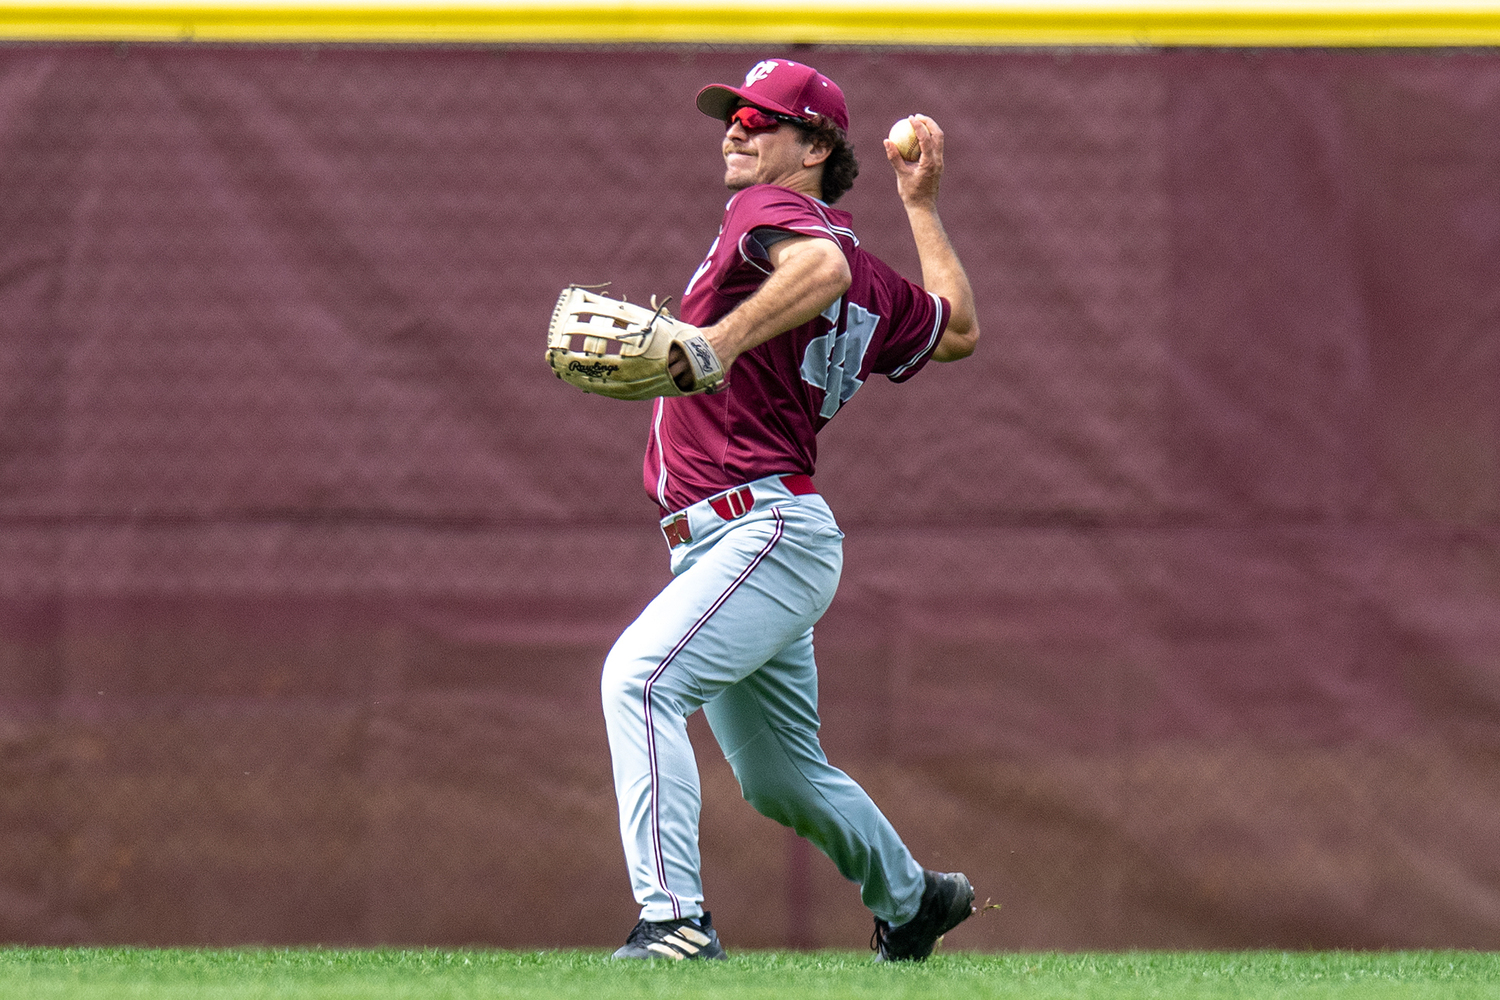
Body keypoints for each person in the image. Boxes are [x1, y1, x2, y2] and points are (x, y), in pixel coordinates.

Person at [600, 58, 981, 962]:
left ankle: (673, 923)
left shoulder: (767, 216)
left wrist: (714, 343)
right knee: (777, 777)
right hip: (751, 538)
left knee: (640, 682)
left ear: (814, 148)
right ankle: (914, 898)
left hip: (758, 527)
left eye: (762, 120)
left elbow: (815, 264)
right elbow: (957, 328)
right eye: (733, 115)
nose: (736, 128)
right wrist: (922, 206)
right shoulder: (860, 265)